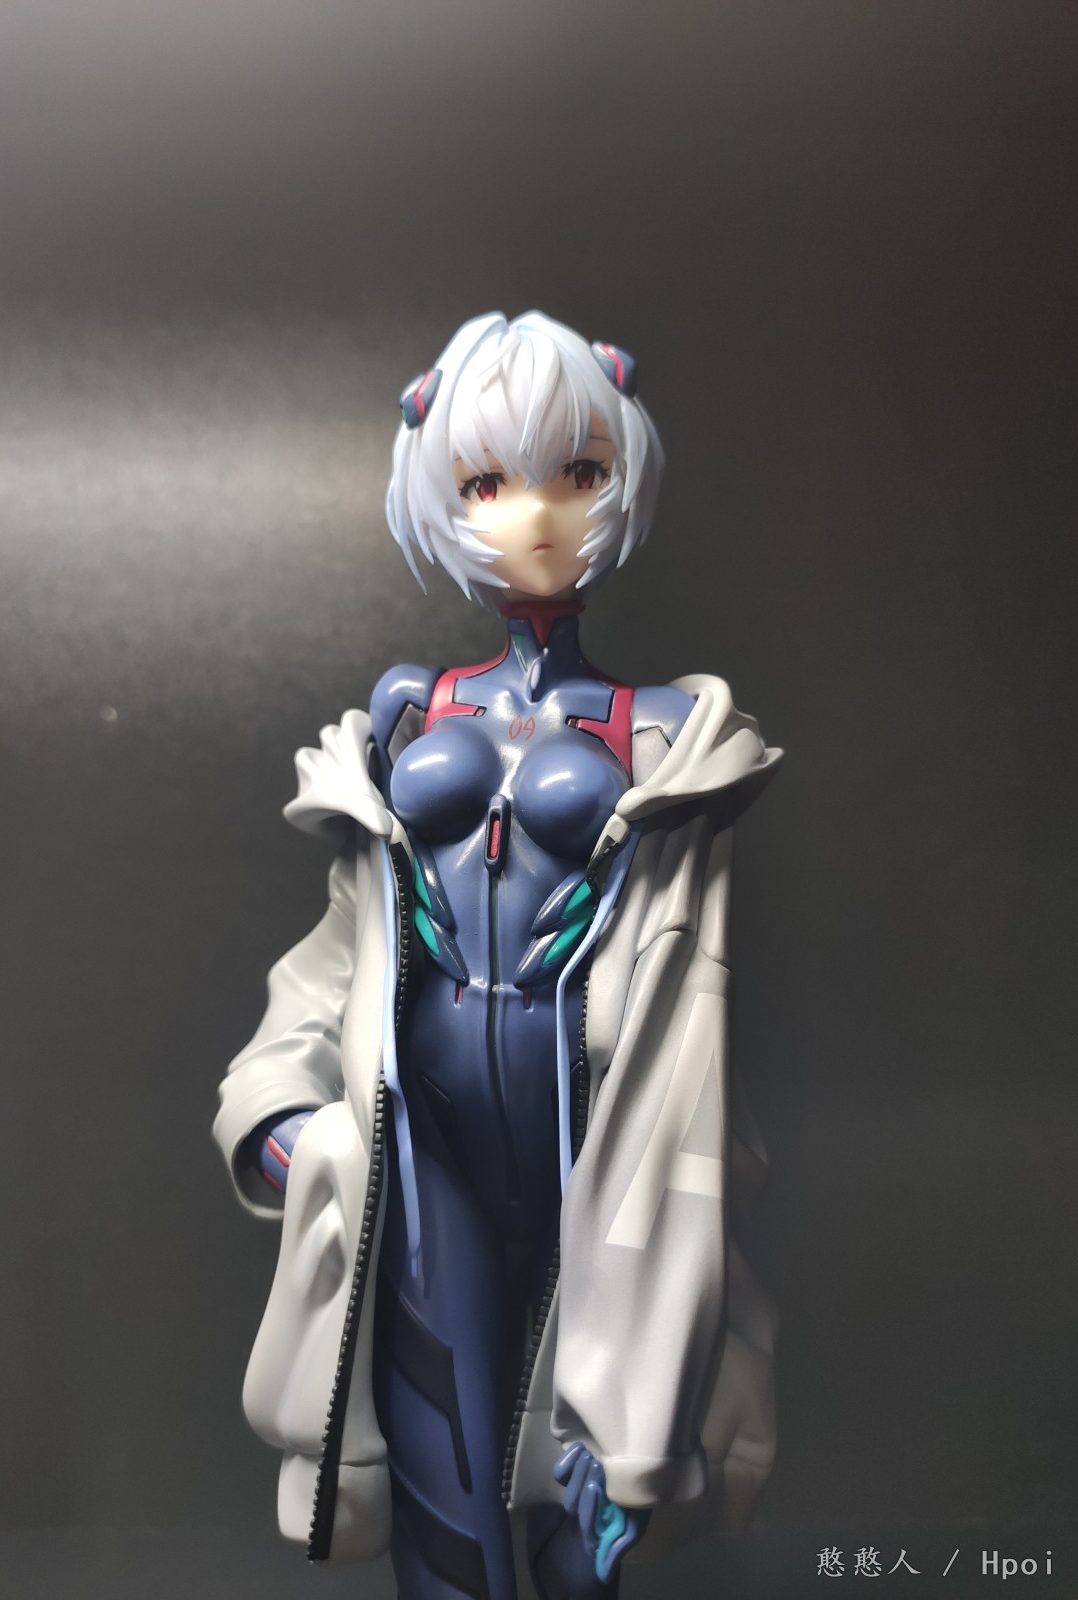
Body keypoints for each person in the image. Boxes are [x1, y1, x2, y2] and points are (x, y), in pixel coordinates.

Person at [214, 312, 781, 1600]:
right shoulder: (411, 709)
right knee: (448, 1504)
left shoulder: (664, 732)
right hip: (433, 1157)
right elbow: (346, 944)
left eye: (578, 472)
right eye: (487, 481)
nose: (535, 513)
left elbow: (688, 1011)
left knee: (593, 1506)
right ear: (437, 485)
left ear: (623, 472)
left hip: (602, 1146)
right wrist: (282, 1111)